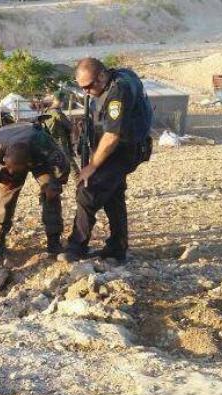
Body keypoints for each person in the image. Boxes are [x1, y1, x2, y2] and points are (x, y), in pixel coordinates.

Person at [58, 57, 153, 264]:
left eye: (90, 86)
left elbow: (112, 136)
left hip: (122, 151)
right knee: (113, 195)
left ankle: (76, 247)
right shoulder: (115, 77)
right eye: (82, 87)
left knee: (87, 190)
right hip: (123, 149)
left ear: (102, 75)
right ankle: (117, 248)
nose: (87, 91)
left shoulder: (118, 91)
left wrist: (92, 166)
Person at [0, 122, 70, 257]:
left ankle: (54, 240)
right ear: (4, 158)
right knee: (6, 193)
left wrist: (55, 185)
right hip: (9, 142)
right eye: (9, 168)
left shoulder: (44, 143)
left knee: (51, 192)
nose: (11, 171)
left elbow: (63, 168)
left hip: (40, 158)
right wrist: (1, 178)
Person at [44, 90, 80, 177]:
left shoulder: (47, 111)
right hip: (60, 142)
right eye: (63, 100)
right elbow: (70, 126)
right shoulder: (57, 113)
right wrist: (76, 125)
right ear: (59, 100)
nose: (64, 102)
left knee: (54, 161)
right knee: (69, 160)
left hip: (50, 142)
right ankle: (78, 178)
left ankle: (56, 178)